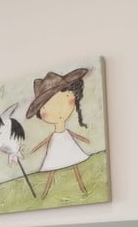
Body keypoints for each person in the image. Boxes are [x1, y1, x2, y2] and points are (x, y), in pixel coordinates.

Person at [26, 68, 92, 199]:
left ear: (74, 96)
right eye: (48, 107)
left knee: (75, 165)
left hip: (67, 142)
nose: (58, 110)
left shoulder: (66, 132)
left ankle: (82, 186)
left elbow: (73, 135)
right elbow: (47, 141)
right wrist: (36, 148)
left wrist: (84, 139)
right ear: (41, 113)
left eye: (64, 99)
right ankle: (46, 192)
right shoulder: (53, 137)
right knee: (53, 168)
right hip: (56, 145)